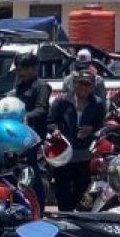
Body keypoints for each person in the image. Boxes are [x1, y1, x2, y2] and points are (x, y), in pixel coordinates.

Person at [48, 73, 106, 211]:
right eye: (81, 83)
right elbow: (50, 121)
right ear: (74, 84)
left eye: (88, 84)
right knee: (62, 188)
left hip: (83, 154)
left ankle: (75, 215)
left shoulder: (97, 103)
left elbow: (101, 125)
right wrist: (55, 130)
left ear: (92, 87)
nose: (84, 87)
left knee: (81, 186)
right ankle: (64, 214)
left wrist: (90, 129)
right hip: (63, 153)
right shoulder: (62, 101)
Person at [11, 54, 51, 139]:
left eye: (25, 69)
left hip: (35, 133)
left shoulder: (42, 86)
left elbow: (41, 109)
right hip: (19, 132)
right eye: (18, 69)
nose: (21, 72)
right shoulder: (19, 86)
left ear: (34, 69)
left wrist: (27, 116)